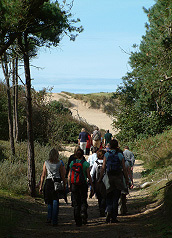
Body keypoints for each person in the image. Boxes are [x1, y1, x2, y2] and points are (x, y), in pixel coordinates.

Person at [98, 139, 129, 223]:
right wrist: (126, 179)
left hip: (108, 177)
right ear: (117, 145)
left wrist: (100, 178)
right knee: (116, 198)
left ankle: (108, 211)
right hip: (118, 178)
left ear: (110, 146)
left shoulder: (107, 154)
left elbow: (103, 167)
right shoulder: (120, 155)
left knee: (108, 196)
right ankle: (114, 217)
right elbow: (124, 168)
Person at [39, 148, 66, 226]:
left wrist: (41, 186)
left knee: (49, 201)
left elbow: (43, 175)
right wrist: (64, 184)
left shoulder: (46, 163)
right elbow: (62, 175)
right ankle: (55, 220)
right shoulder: (59, 163)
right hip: (57, 182)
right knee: (55, 200)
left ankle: (49, 217)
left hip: (48, 182)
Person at [68, 149, 94, 226]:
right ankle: (83, 215)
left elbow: (69, 175)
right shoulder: (85, 163)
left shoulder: (72, 163)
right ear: (83, 155)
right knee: (83, 200)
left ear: (75, 155)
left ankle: (77, 221)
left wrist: (69, 185)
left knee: (76, 203)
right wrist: (92, 185)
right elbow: (88, 175)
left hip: (74, 185)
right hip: (83, 184)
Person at [90, 149, 106, 217]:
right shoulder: (106, 162)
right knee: (105, 196)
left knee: (99, 197)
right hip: (106, 182)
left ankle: (101, 210)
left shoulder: (96, 163)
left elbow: (92, 173)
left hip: (98, 182)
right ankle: (106, 209)